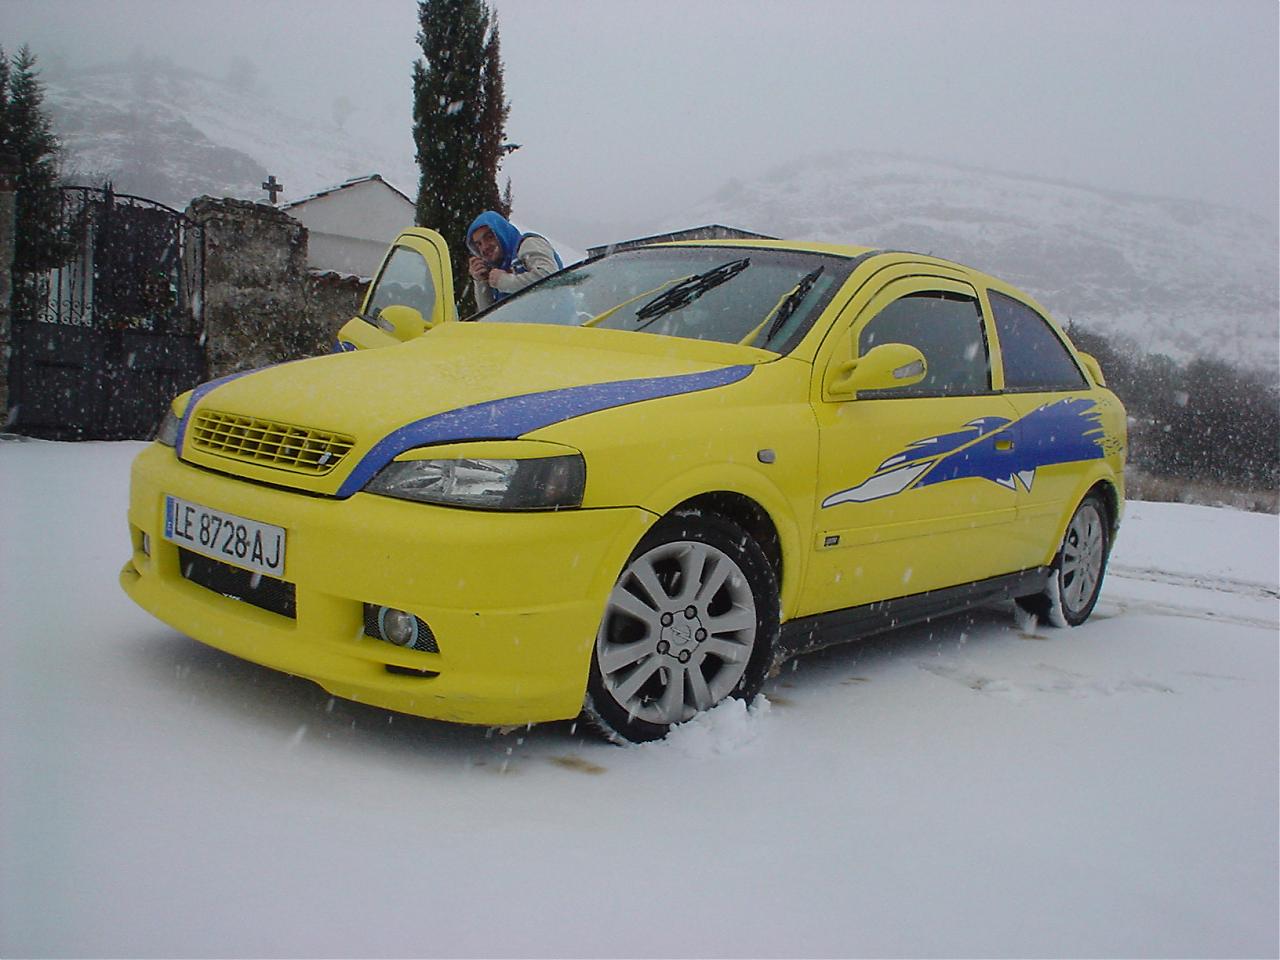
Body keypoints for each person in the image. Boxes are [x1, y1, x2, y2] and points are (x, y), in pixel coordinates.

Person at [466, 210, 563, 311]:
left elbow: (550, 278)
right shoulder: (499, 270)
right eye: (479, 244)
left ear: (501, 232)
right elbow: (490, 315)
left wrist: (504, 281)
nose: (484, 247)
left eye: (489, 237)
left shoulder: (528, 244)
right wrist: (481, 282)